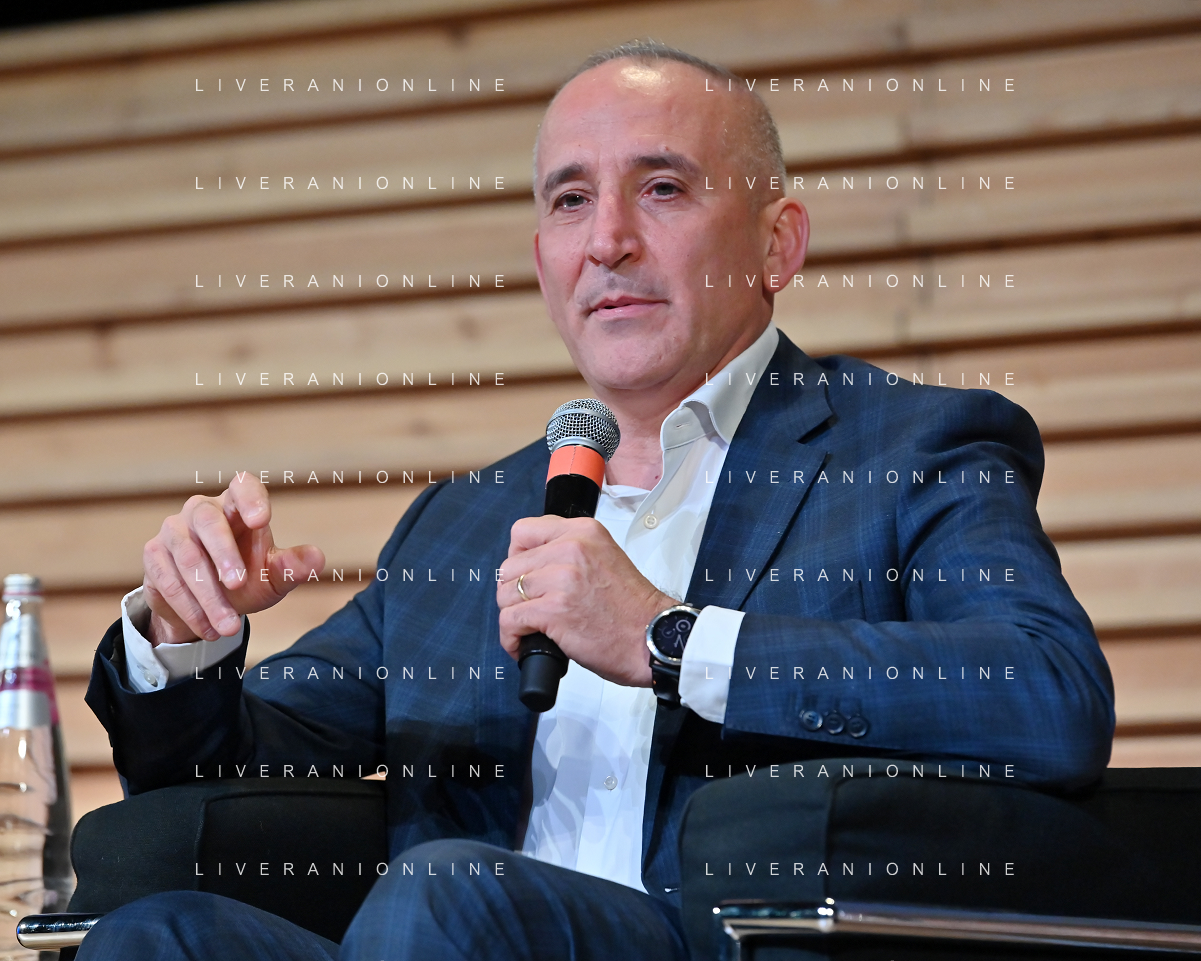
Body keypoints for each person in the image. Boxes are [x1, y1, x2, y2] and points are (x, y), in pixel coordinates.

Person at [80, 41, 1114, 961]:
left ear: (776, 244)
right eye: (569, 201)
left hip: (715, 939)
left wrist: (672, 640)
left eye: (661, 188)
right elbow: (248, 762)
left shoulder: (909, 449)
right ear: (541, 258)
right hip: (445, 937)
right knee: (155, 934)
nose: (606, 239)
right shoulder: (465, 520)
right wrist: (185, 639)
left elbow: (1047, 694)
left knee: (450, 890)